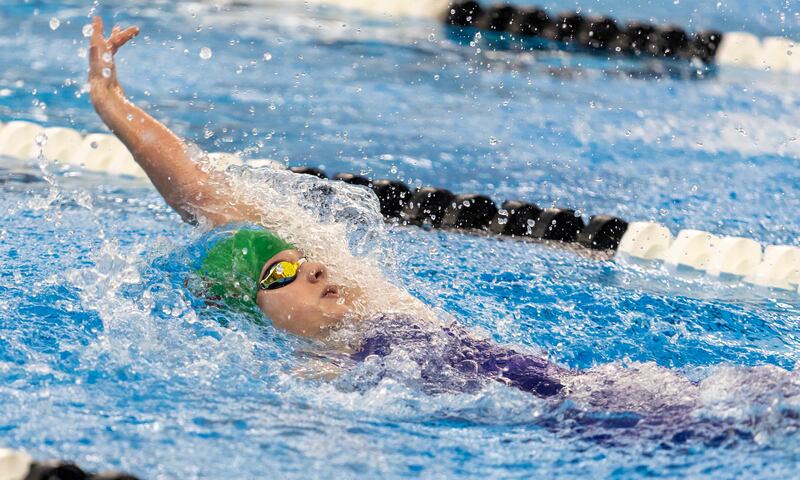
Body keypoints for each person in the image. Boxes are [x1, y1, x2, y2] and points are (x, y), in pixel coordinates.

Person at [86, 17, 797, 430]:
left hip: (599, 396)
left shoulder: (371, 303)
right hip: (577, 430)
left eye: (303, 255)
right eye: (282, 271)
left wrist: (116, 110)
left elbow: (209, 197)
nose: (318, 266)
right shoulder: (311, 375)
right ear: (250, 307)